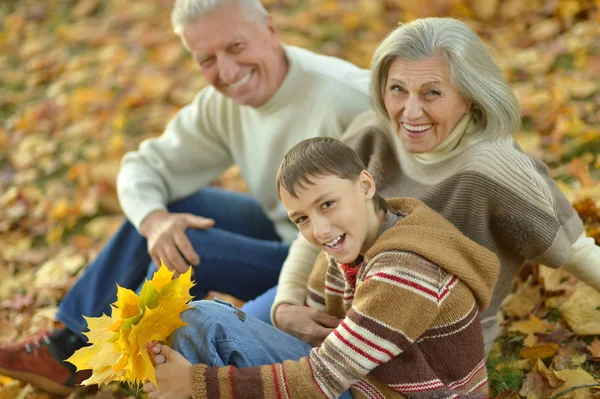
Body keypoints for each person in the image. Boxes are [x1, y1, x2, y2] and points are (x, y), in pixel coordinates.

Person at [0, 0, 371, 396]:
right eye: (206, 58)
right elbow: (144, 167)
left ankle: (130, 363)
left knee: (187, 246)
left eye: (235, 47)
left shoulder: (345, 99)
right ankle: (72, 345)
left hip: (328, 261)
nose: (226, 72)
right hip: (286, 232)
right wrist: (154, 221)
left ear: (271, 29)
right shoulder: (223, 102)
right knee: (170, 213)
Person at [271, 17, 600, 357]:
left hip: (434, 348)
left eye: (432, 93)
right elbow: (316, 220)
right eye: (398, 89)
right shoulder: (373, 133)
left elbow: (578, 251)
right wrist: (285, 304)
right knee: (224, 329)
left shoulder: (496, 170)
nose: (410, 112)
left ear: (470, 97)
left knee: (225, 343)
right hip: (342, 307)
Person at [142, 137, 499, 399]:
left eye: (327, 204)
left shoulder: (404, 268)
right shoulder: (345, 250)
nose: (319, 230)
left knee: (204, 324)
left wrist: (195, 382)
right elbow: (303, 345)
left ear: (364, 185)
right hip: (363, 384)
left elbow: (320, 377)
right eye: (301, 219)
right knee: (198, 327)